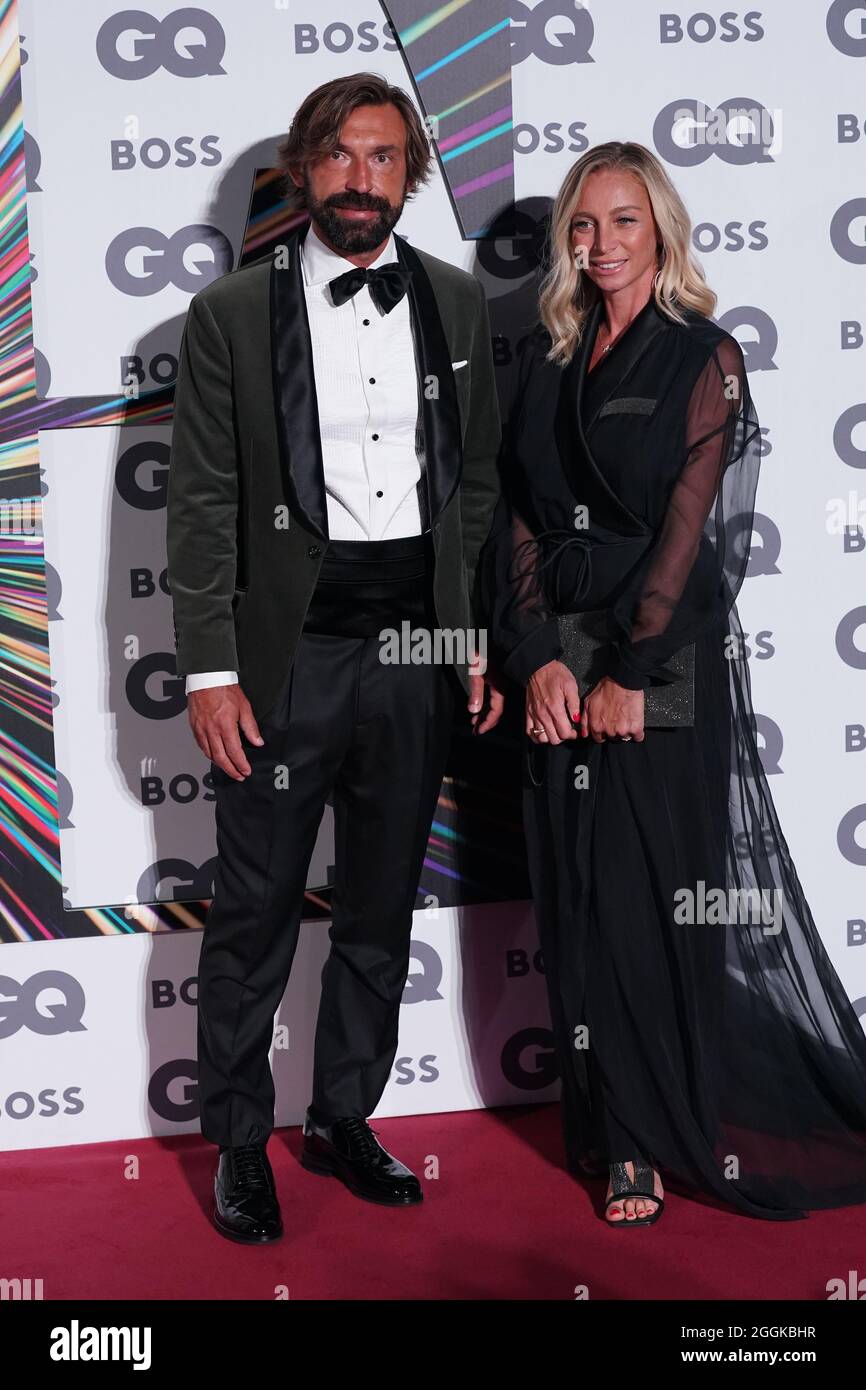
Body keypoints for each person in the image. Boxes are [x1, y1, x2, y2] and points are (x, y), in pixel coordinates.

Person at [480, 140, 866, 1226]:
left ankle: (658, 1132)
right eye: (583, 225)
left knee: (657, 901)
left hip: (665, 665)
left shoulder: (705, 354)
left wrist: (630, 674)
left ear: (661, 234)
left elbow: (694, 538)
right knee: (579, 901)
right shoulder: (549, 363)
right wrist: (535, 656)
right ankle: (607, 1133)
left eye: (623, 223)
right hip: (560, 659)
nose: (599, 244)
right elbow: (515, 515)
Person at [166, 73, 502, 1244]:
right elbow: (202, 502)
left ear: (407, 176)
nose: (362, 179)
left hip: (412, 650)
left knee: (375, 904)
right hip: (284, 659)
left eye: (384, 158)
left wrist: (461, 632)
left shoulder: (456, 304)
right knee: (255, 908)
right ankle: (239, 1143)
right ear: (305, 169)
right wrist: (208, 668)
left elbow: (471, 489)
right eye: (342, 156)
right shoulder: (225, 317)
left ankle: (343, 1116)